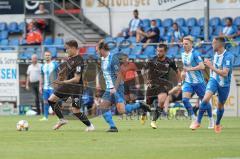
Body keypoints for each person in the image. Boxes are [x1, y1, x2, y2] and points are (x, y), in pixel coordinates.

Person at [96, 40, 150, 132]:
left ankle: (139, 105)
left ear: (102, 49)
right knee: (103, 106)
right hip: (109, 88)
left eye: (97, 50)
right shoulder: (102, 59)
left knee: (121, 110)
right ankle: (113, 127)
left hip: (118, 87)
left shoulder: (113, 58)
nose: (97, 52)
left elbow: (119, 75)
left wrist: (115, 88)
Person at [47, 40, 95, 131]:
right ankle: (62, 119)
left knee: (75, 110)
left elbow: (77, 79)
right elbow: (65, 73)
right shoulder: (69, 59)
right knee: (51, 100)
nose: (66, 51)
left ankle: (90, 126)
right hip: (67, 86)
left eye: (67, 49)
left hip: (76, 88)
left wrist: (63, 82)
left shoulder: (79, 61)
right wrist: (59, 79)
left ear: (73, 48)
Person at [191, 37, 233, 133]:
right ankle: (198, 121)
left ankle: (217, 123)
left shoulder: (228, 56)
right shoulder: (215, 55)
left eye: (214, 43)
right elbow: (213, 65)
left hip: (224, 84)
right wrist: (207, 63)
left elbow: (225, 73)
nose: (212, 45)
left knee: (220, 105)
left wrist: (210, 66)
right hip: (213, 80)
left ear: (220, 45)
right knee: (205, 99)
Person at [143, 43, 181, 128]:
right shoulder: (152, 60)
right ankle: (144, 113)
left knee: (161, 102)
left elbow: (178, 71)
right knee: (148, 104)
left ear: (165, 51)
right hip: (152, 85)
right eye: (157, 51)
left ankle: (153, 121)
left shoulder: (169, 61)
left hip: (163, 85)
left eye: (161, 51)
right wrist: (147, 80)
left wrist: (179, 83)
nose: (158, 53)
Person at [181, 36, 214, 129]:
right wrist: (183, 73)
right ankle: (193, 117)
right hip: (188, 81)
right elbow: (185, 67)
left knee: (205, 102)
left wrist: (189, 69)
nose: (184, 45)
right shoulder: (183, 54)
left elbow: (202, 66)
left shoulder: (195, 54)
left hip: (199, 82)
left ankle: (211, 119)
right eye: (183, 44)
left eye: (186, 44)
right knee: (184, 100)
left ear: (191, 44)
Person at [39, 51, 58, 121]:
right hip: (45, 87)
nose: (47, 56)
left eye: (48, 55)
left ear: (51, 56)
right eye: (46, 55)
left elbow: (60, 74)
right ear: (44, 56)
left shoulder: (55, 64)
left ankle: (59, 117)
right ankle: (45, 117)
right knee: (45, 102)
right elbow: (41, 76)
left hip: (53, 87)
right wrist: (40, 86)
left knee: (53, 102)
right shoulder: (43, 66)